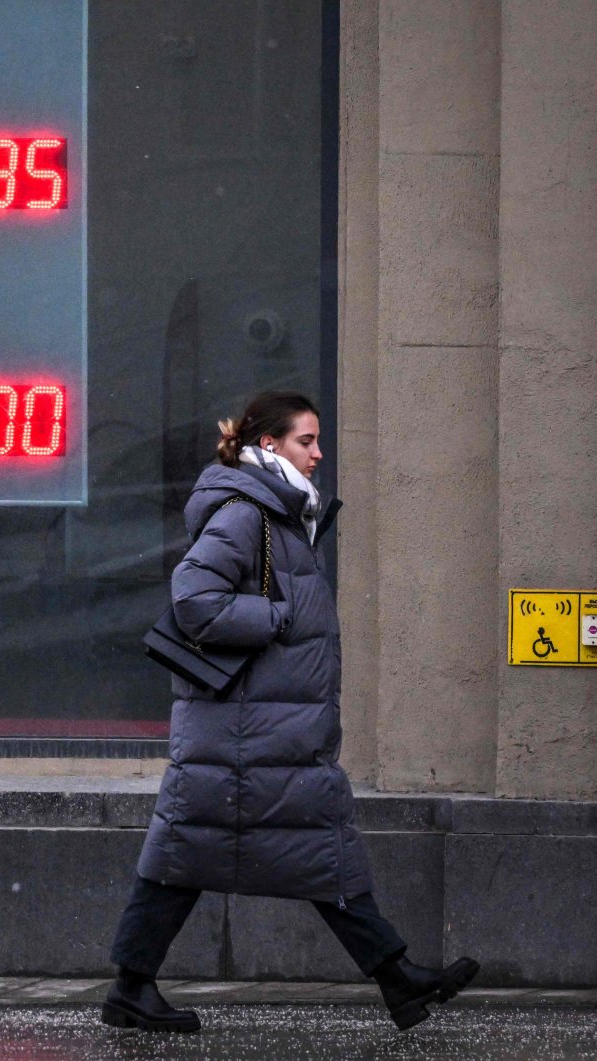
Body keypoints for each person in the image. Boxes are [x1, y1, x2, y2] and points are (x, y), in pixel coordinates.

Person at [103, 390, 477, 1034]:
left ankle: (398, 980)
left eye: (318, 440)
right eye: (306, 440)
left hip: (263, 727)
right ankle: (397, 979)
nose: (318, 453)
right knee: (237, 849)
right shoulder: (247, 512)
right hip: (245, 729)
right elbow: (195, 599)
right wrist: (278, 617)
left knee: (266, 847)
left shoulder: (280, 512)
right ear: (268, 445)